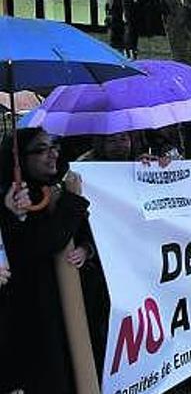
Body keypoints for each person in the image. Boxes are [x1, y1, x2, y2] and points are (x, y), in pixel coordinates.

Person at [0, 129, 106, 393]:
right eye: (41, 149)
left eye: (54, 146)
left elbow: (96, 233)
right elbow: (43, 243)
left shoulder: (65, 184)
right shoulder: (12, 196)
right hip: (35, 318)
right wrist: (71, 201)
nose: (53, 154)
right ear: (20, 158)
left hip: (75, 309)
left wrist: (86, 248)